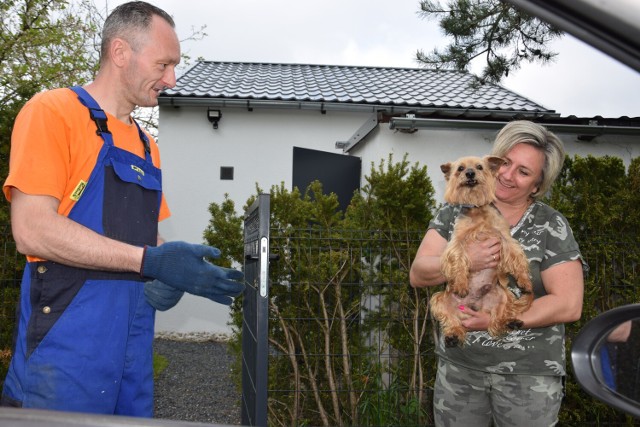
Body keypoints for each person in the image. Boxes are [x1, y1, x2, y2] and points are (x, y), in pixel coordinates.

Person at [1, 1, 244, 417]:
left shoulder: (148, 146)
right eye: (164, 64)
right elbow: (32, 229)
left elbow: (146, 238)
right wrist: (150, 260)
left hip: (132, 350)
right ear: (119, 53)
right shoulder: (53, 113)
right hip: (65, 350)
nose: (171, 78)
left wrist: (175, 266)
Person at [410, 120, 587, 426]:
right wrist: (465, 259)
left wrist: (495, 319)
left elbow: (569, 304)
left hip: (528, 376)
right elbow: (418, 273)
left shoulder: (551, 224)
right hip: (460, 370)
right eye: (505, 163)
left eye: (524, 172)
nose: (507, 175)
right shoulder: (454, 212)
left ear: (537, 184)